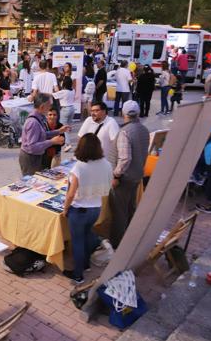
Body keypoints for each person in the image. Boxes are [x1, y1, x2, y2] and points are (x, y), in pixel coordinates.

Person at [61, 133, 113, 283]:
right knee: (87, 235)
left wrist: (65, 209)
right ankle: (86, 265)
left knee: (77, 241)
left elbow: (70, 194)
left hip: (79, 210)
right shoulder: (105, 164)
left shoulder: (79, 167)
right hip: (96, 208)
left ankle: (78, 275)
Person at [108, 101, 149, 248]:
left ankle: (117, 245)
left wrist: (116, 176)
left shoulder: (125, 132)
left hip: (124, 178)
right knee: (130, 208)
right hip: (137, 175)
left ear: (124, 114)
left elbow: (125, 158)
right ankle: (130, 239)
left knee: (120, 213)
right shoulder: (144, 129)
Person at [18, 93, 68, 176]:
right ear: (42, 107)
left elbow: (42, 134)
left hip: (35, 157)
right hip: (30, 158)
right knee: (31, 183)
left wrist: (58, 131)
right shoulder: (33, 122)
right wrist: (52, 142)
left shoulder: (39, 118)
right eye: (49, 106)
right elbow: (32, 146)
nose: (50, 109)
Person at [52, 76, 75, 152]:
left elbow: (54, 95)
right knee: (67, 127)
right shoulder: (72, 91)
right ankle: (67, 143)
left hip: (65, 109)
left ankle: (67, 144)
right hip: (72, 108)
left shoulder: (63, 92)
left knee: (63, 127)